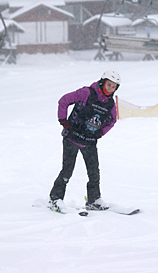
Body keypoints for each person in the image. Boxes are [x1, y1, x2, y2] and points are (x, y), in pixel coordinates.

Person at [48, 70, 121, 213]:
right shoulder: (87, 93)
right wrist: (63, 121)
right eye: (109, 85)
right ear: (102, 82)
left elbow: (112, 121)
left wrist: (101, 132)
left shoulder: (110, 104)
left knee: (94, 173)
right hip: (72, 137)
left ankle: (94, 200)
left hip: (90, 142)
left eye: (114, 87)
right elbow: (64, 100)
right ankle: (55, 199)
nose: (110, 89)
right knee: (67, 171)